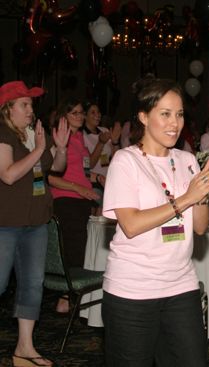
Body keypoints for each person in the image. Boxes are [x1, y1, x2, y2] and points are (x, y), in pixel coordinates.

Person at [101, 77, 209, 366]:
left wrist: (204, 194)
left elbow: (199, 226)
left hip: (180, 286)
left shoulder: (186, 160)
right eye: (165, 114)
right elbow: (130, 225)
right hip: (132, 291)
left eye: (180, 114)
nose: (175, 123)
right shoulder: (125, 161)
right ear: (144, 117)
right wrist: (186, 198)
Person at [0, 81, 70, 367]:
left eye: (31, 104)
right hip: (6, 223)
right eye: (24, 104)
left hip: (36, 222)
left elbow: (56, 167)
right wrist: (40, 147)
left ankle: (25, 349)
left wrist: (61, 148)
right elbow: (8, 174)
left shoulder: (33, 134)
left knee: (32, 285)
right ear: (8, 109)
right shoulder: (4, 134)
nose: (31, 109)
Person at [48, 98, 100, 313]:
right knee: (73, 249)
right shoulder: (62, 140)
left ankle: (71, 298)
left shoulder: (78, 138)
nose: (79, 116)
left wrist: (97, 179)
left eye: (81, 112)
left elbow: (82, 171)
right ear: (64, 116)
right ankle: (65, 297)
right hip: (66, 200)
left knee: (79, 247)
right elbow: (50, 177)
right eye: (74, 113)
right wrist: (79, 189)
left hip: (81, 201)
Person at [82, 101, 122, 215]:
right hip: (93, 181)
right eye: (93, 112)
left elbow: (116, 158)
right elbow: (90, 164)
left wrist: (115, 141)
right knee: (97, 215)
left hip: (109, 179)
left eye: (98, 112)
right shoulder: (82, 135)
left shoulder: (104, 130)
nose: (97, 115)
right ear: (85, 116)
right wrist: (101, 143)